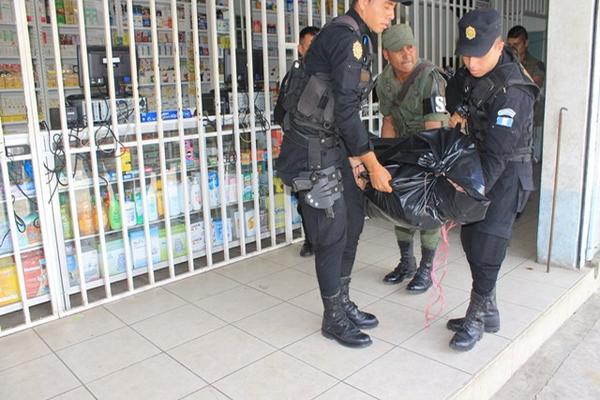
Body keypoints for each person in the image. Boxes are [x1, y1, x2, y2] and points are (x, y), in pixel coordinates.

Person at [276, 0, 400, 348]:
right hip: (312, 150)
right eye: (388, 6)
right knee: (331, 234)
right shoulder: (346, 37)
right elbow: (346, 112)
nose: (392, 15)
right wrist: (372, 164)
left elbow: (343, 109)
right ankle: (332, 317)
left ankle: (342, 300)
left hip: (334, 146)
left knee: (353, 223)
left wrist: (355, 159)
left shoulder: (360, 35)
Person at [445, 9, 539, 352]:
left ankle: (476, 315)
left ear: (499, 46)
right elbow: (456, 91)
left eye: (479, 53)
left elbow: (498, 154)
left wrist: (469, 187)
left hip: (508, 173)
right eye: (466, 53)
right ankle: (490, 309)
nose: (470, 62)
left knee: (488, 244)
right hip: (481, 165)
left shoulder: (514, 88)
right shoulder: (472, 71)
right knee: (471, 239)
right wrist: (457, 112)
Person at [375, 24, 449, 293]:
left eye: (410, 47)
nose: (407, 54)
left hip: (430, 149)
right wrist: (387, 158)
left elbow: (435, 128)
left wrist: (428, 168)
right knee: (400, 206)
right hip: (404, 148)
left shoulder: (430, 77)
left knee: (427, 210)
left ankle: (426, 270)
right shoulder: (384, 82)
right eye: (399, 50)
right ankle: (406, 262)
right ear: (386, 54)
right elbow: (389, 120)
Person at [275, 26, 321, 257]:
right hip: (299, 146)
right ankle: (310, 240)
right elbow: (280, 111)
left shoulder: (328, 77)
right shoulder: (293, 76)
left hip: (322, 148)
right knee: (304, 197)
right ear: (301, 48)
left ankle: (324, 240)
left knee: (326, 195)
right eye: (309, 46)